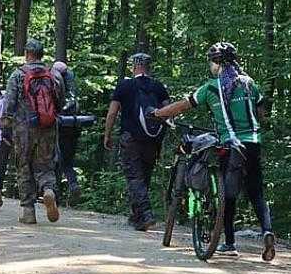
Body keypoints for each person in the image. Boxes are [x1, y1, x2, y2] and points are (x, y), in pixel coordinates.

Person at [152, 42, 275, 261]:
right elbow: (262, 110)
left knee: (228, 194)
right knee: (256, 192)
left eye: (211, 61)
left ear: (217, 63)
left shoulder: (210, 87)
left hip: (230, 144)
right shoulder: (248, 83)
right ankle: (267, 231)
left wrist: (159, 113)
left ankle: (229, 243)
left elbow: (183, 105)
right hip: (253, 142)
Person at [103, 52, 170, 231]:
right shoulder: (158, 86)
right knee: (144, 176)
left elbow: (112, 112)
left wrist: (107, 134)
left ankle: (146, 213)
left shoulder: (125, 86)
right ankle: (138, 217)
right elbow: (168, 111)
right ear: (149, 66)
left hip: (130, 137)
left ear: (134, 66)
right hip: (152, 139)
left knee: (134, 176)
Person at [3, 39, 65, 225]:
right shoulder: (54, 75)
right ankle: (48, 190)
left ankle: (28, 210)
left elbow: (9, 104)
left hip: (23, 130)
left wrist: (6, 126)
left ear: (27, 54)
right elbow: (60, 103)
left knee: (24, 166)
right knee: (45, 165)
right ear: (41, 54)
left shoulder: (17, 75)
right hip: (48, 127)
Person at [53, 61, 82, 203]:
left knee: (55, 160)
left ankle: (54, 193)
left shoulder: (54, 84)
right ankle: (73, 183)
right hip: (74, 125)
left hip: (59, 126)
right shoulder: (73, 90)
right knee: (67, 161)